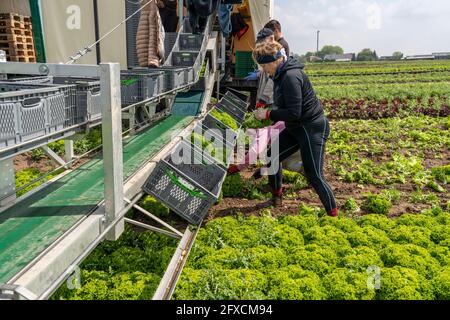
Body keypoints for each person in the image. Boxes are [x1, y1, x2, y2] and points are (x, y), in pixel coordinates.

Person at [252, 41, 339, 217]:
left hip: (311, 127)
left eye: (263, 66)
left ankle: (333, 215)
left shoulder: (291, 76)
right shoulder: (280, 74)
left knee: (314, 175)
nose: (263, 70)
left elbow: (294, 112)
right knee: (272, 156)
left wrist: (268, 114)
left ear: (273, 61)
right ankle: (276, 197)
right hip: (296, 127)